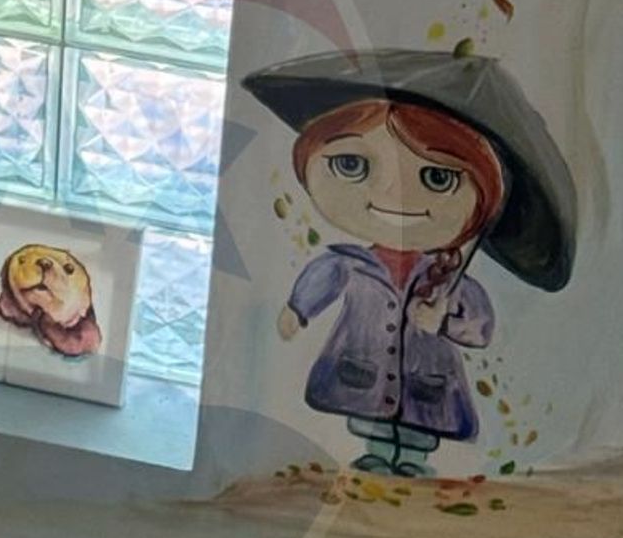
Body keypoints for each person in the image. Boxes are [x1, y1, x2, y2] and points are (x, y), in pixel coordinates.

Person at [246, 48, 576, 478]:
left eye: (438, 177)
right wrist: (298, 309)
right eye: (351, 164)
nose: (391, 195)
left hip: (428, 379)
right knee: (368, 415)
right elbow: (322, 278)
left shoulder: (451, 283)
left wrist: (444, 321)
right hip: (360, 370)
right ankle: (377, 455)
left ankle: (414, 462)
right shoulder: (349, 264)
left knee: (422, 421)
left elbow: (480, 329)